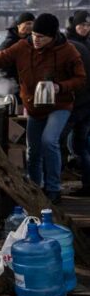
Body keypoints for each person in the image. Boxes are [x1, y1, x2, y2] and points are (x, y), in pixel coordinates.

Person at [0, 13, 87, 204]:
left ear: (52, 36)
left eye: (41, 37)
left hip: (59, 105)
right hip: (34, 105)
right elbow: (0, 58)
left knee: (49, 141)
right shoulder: (23, 46)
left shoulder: (67, 51)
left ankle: (53, 188)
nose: (36, 40)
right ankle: (36, 187)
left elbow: (80, 78)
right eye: (34, 35)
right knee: (32, 150)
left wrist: (61, 86)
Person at [66, 10, 90, 196]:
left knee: (76, 145)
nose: (85, 28)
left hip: (78, 103)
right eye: (82, 25)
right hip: (81, 101)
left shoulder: (73, 45)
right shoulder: (75, 44)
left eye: (88, 25)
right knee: (79, 145)